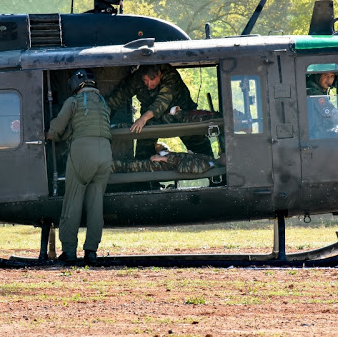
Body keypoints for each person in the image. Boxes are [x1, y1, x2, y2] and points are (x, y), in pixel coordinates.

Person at [46, 69, 112, 265]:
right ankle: (91, 251)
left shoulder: (73, 101)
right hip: (105, 153)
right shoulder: (102, 103)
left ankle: (69, 252)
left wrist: (51, 134)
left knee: (73, 202)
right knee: (95, 205)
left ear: (75, 86)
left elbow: (57, 129)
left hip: (83, 152)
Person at [106, 64, 213, 159]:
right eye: (145, 81)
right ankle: (145, 181)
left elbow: (163, 101)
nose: (148, 84)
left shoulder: (170, 75)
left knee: (202, 151)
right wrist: (103, 112)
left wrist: (143, 118)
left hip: (180, 117)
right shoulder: (137, 79)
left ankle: (216, 177)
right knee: (143, 153)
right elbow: (119, 96)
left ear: (159, 74)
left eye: (151, 80)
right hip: (152, 120)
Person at [305, 71, 338, 138]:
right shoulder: (314, 92)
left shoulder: (320, 90)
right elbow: (333, 115)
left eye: (332, 76)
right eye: (326, 75)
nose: (329, 80)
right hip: (316, 136)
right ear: (317, 75)